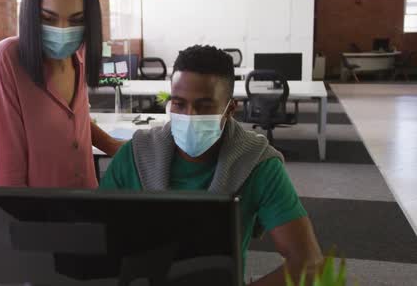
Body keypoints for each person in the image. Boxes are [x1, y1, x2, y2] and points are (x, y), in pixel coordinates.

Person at [100, 45, 323, 285]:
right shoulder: (135, 155)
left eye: (204, 106)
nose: (189, 116)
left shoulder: (258, 164)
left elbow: (309, 263)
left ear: (230, 110)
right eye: (179, 104)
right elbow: (95, 241)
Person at [0, 0, 122, 187]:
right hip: (39, 216)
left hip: (87, 205)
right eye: (48, 18)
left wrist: (114, 146)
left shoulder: (79, 54)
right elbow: (7, 181)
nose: (63, 31)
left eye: (76, 20)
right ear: (30, 15)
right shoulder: (4, 63)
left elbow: (75, 123)